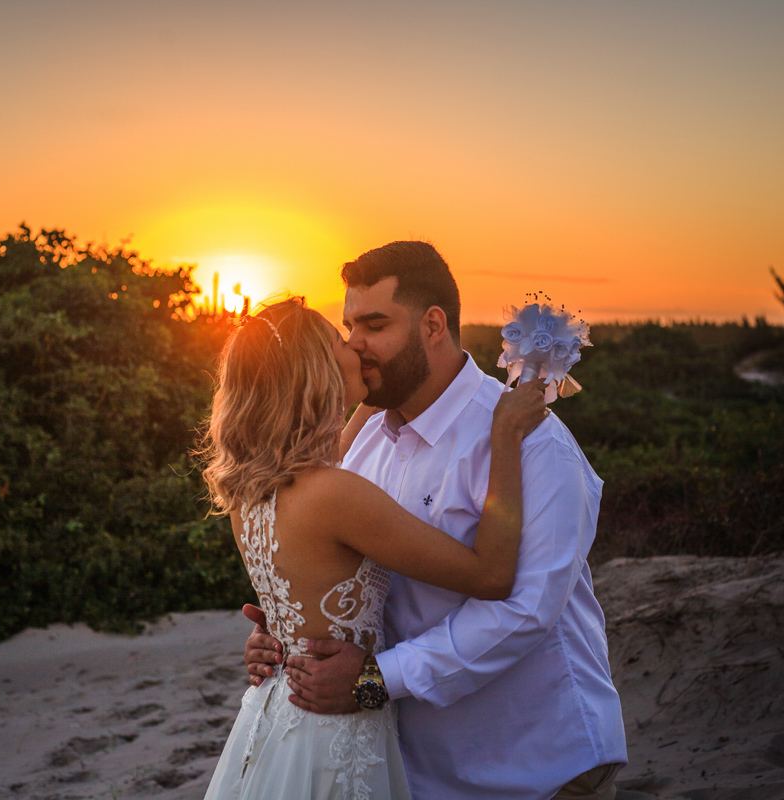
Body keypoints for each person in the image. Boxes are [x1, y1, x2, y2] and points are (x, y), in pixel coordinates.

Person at [243, 242, 628, 800]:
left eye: (374, 324)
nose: (355, 344)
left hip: (534, 768)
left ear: (432, 325)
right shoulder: (359, 443)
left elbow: (523, 610)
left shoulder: (533, 443)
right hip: (412, 771)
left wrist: (373, 683)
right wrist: (283, 638)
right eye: (349, 324)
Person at [198, 296, 550, 800]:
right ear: (317, 370)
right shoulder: (336, 496)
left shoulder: (250, 491)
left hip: (274, 712)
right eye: (342, 341)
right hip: (334, 729)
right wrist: (505, 434)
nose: (357, 345)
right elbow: (491, 576)